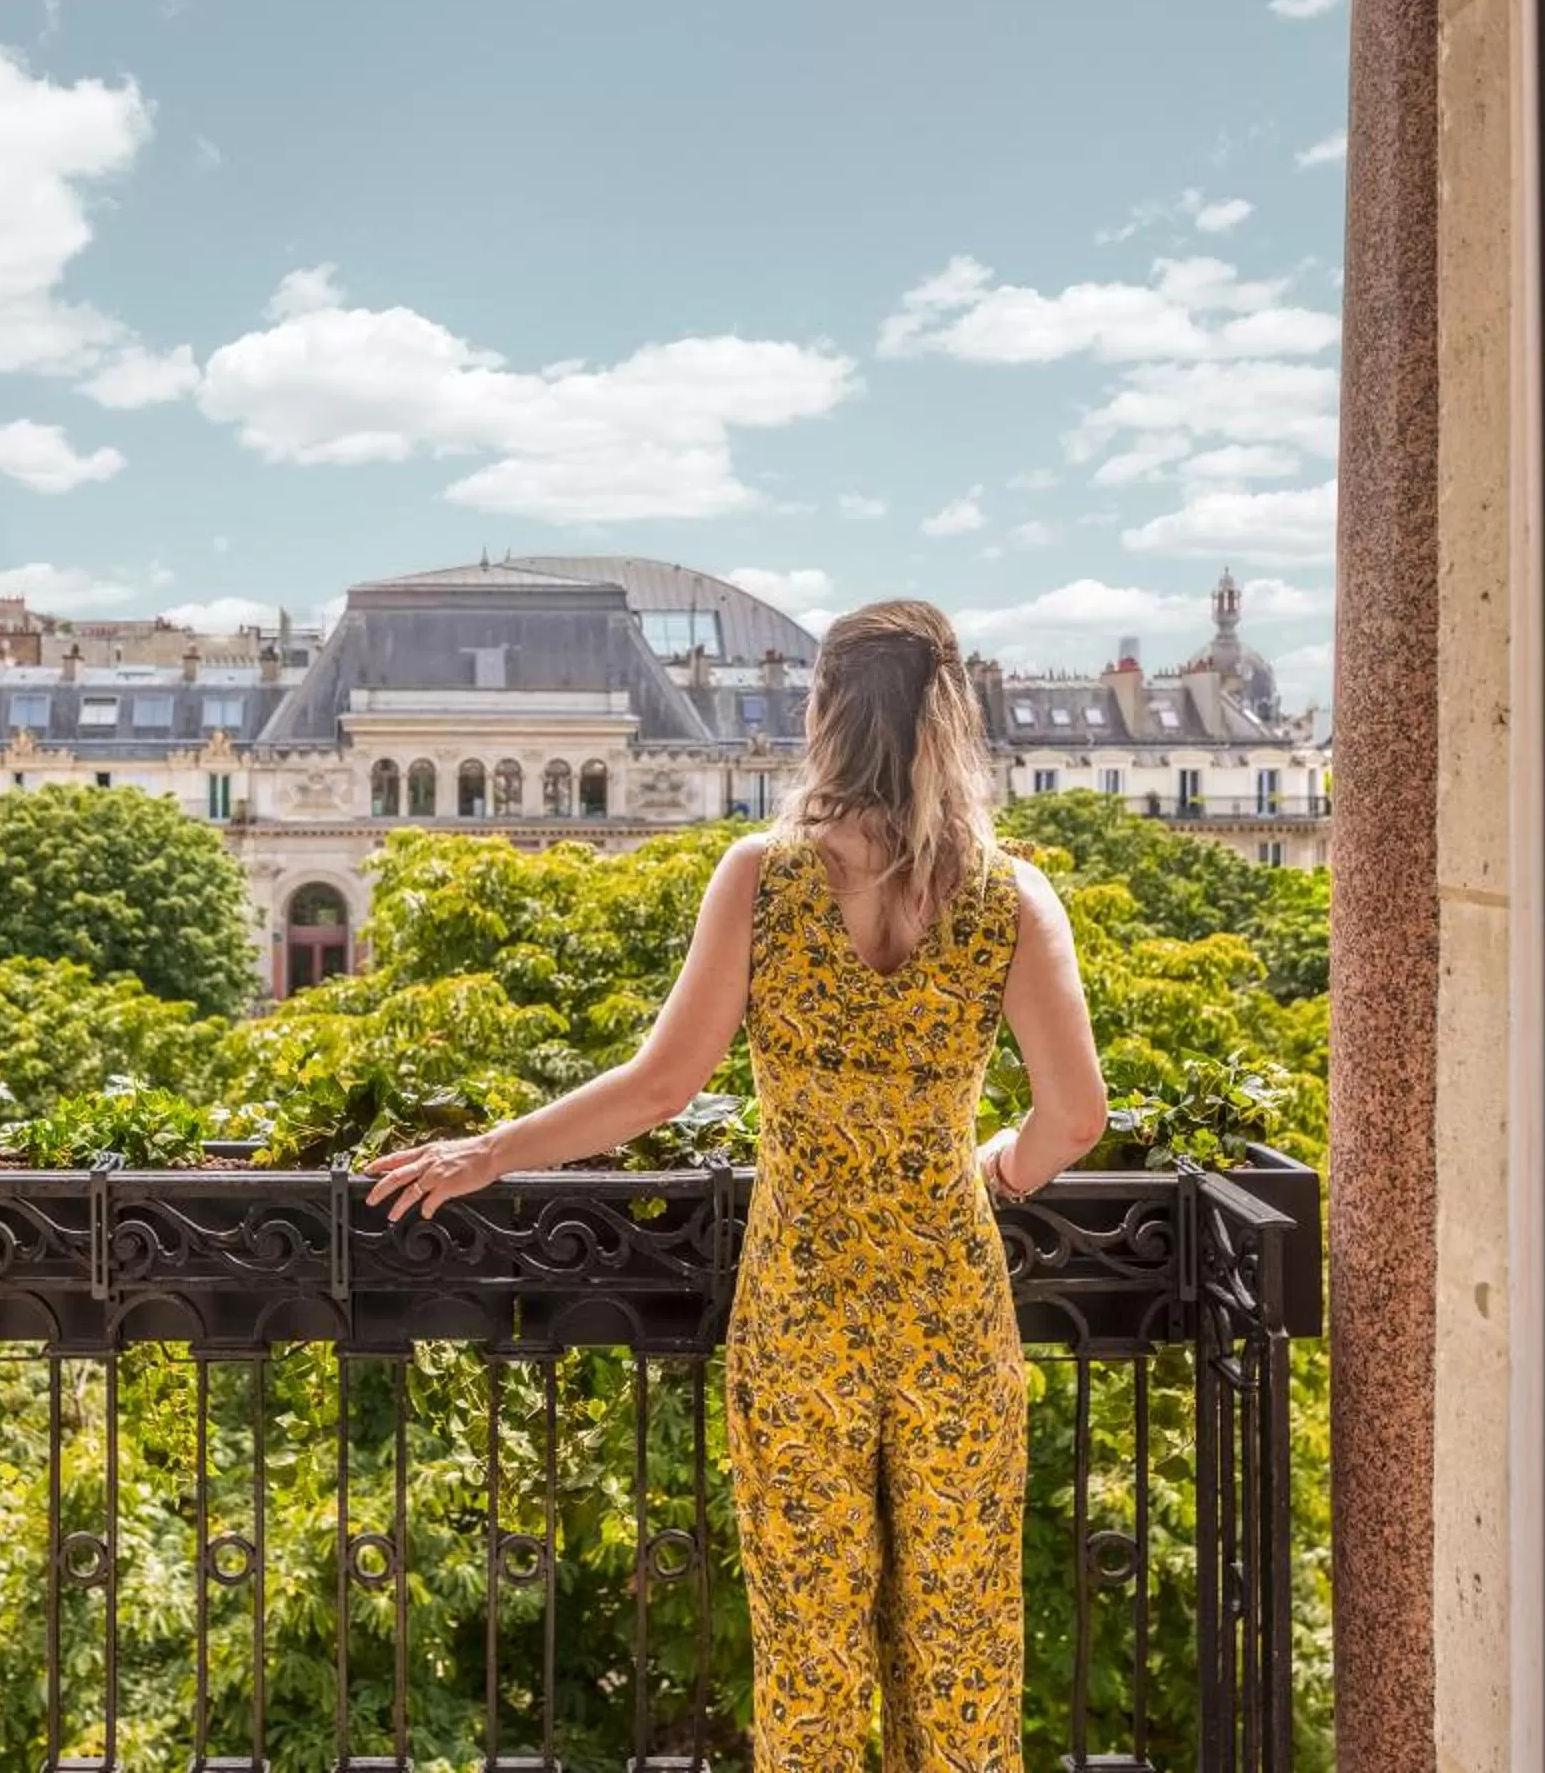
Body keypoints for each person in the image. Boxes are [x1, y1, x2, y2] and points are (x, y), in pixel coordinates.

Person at [364, 597, 1108, 1770]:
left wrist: (489, 1151)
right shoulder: (1011, 898)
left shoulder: (764, 878)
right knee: (964, 1658)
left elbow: (661, 1088)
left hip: (802, 1310)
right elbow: (1075, 1118)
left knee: (810, 1661)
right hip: (951, 1310)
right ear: (950, 724)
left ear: (820, 716)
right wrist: (996, 1167)